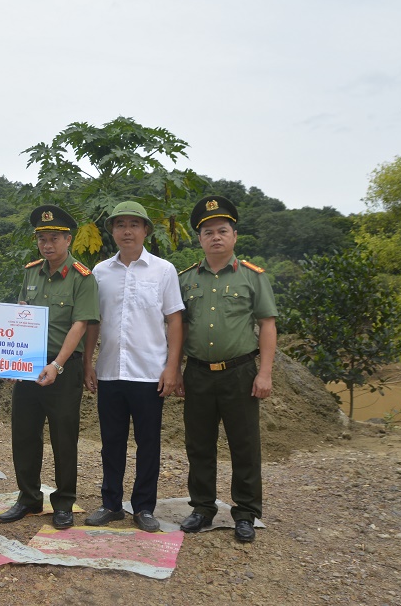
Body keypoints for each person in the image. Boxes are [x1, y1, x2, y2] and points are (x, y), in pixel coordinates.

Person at [178, 195, 277, 543]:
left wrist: (265, 373)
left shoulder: (252, 277)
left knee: (244, 444)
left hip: (240, 372)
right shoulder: (186, 279)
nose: (215, 237)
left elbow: (267, 324)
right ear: (199, 239)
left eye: (222, 230)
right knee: (199, 444)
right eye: (208, 232)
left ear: (234, 236)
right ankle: (202, 508)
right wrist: (174, 369)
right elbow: (179, 328)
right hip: (198, 372)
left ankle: (246, 513)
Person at [81, 201, 184, 533]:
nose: (127, 231)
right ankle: (111, 504)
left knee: (148, 444)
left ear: (145, 231)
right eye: (120, 224)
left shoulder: (163, 270)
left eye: (134, 225)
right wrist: (88, 362)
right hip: (110, 371)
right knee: (111, 443)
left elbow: (174, 320)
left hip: (149, 373)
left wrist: (172, 367)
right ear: (112, 231)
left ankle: (144, 507)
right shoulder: (100, 272)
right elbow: (93, 321)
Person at [0, 204, 100, 530]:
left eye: (54, 238)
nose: (47, 244)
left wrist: (56, 364)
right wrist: (13, 360)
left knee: (63, 438)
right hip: (28, 366)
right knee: (24, 434)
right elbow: (21, 316)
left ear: (68, 240)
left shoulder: (83, 278)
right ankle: (28, 498)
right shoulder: (31, 272)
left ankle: (64, 502)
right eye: (42, 238)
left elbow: (81, 325)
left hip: (63, 368)